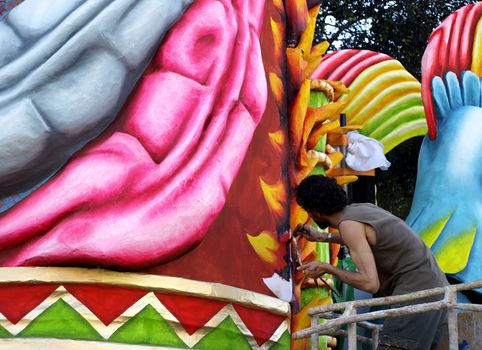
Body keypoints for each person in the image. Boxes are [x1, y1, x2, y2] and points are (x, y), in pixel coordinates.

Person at [294, 174, 448, 350]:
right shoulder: (361, 210)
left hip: (417, 290)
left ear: (316, 211)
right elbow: (368, 238)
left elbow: (370, 283)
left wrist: (328, 268)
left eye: (307, 210)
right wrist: (323, 237)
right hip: (437, 285)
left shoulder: (349, 226)